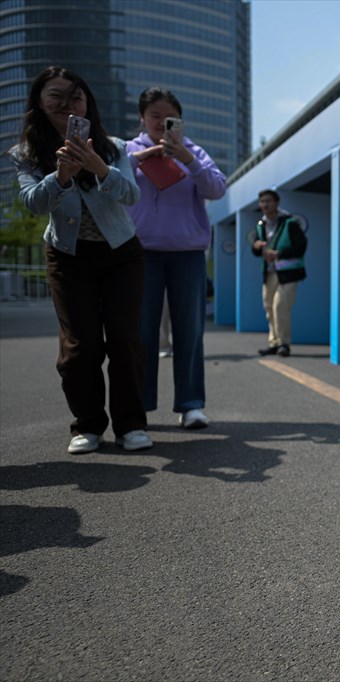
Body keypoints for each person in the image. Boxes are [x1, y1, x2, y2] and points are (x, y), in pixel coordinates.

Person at [10, 66, 151, 453]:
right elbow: (32, 204)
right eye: (55, 95)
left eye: (76, 96)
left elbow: (131, 196)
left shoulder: (114, 146)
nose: (66, 103)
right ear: (39, 102)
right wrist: (60, 176)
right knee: (80, 345)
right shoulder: (26, 154)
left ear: (87, 104)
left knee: (124, 340)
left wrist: (97, 166)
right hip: (68, 256)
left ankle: (131, 425)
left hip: (121, 252)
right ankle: (87, 424)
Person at [126, 87, 226, 430]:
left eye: (169, 117)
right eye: (154, 115)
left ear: (179, 121)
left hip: (187, 253)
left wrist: (187, 158)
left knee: (189, 331)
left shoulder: (194, 151)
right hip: (140, 252)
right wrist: (145, 156)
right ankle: (138, 407)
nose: (160, 122)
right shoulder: (129, 150)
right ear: (142, 118)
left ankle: (191, 404)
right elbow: (107, 179)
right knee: (141, 332)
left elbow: (216, 188)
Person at [252, 189, 307, 358]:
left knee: (280, 306)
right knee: (268, 307)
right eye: (262, 202)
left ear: (276, 203)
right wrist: (255, 246)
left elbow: (301, 247)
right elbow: (255, 250)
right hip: (269, 272)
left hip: (288, 272)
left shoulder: (290, 222)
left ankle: (284, 343)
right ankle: (274, 343)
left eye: (268, 201)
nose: (265, 205)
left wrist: (279, 254)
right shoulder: (260, 225)